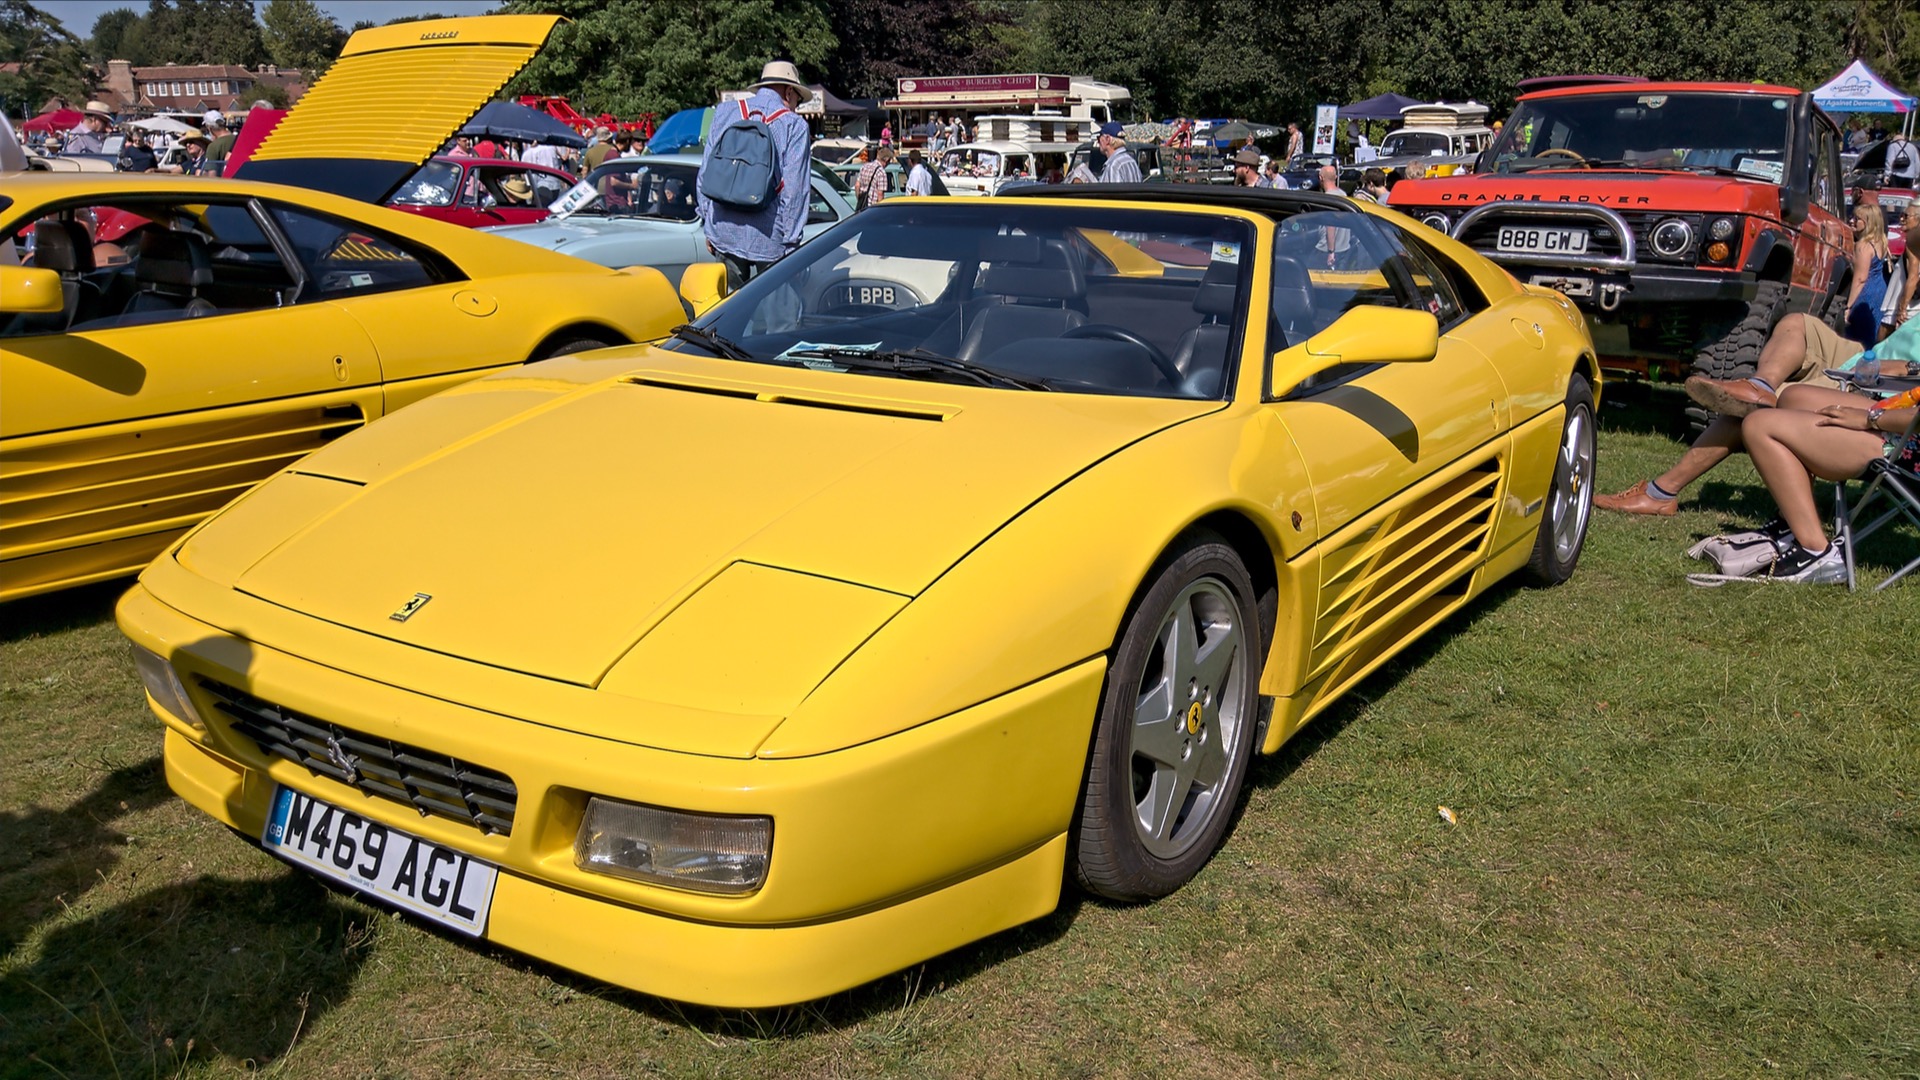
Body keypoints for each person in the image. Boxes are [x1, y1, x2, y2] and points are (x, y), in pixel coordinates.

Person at [1596, 310, 1919, 515]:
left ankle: (1661, 491)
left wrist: (1906, 370)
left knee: (1758, 414)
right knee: (1796, 323)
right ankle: (1760, 383)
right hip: (1865, 358)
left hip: (1888, 388)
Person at [1719, 375, 1919, 583]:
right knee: (1794, 397)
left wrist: (1869, 418)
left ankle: (1816, 552)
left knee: (1758, 426)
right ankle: (1790, 525)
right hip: (1912, 426)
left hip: (1912, 455)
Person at [696, 60, 813, 287]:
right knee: (778, 319)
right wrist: (791, 242)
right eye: (797, 99)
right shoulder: (793, 125)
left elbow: (706, 171)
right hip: (770, 238)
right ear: (789, 92)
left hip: (724, 230)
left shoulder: (725, 112)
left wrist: (707, 222)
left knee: (731, 314)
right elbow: (794, 190)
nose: (796, 106)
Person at [1846, 204, 1892, 348]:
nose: (1851, 221)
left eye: (1857, 219)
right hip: (1880, 292)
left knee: (1857, 342)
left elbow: (1860, 279)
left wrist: (1848, 306)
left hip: (1865, 295)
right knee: (1872, 339)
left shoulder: (1863, 246)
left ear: (1868, 223)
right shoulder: (1881, 241)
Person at [854, 145, 893, 209]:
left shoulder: (865, 166)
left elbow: (857, 185)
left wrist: (860, 199)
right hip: (873, 207)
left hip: (862, 207)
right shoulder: (881, 172)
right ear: (887, 160)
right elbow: (880, 194)